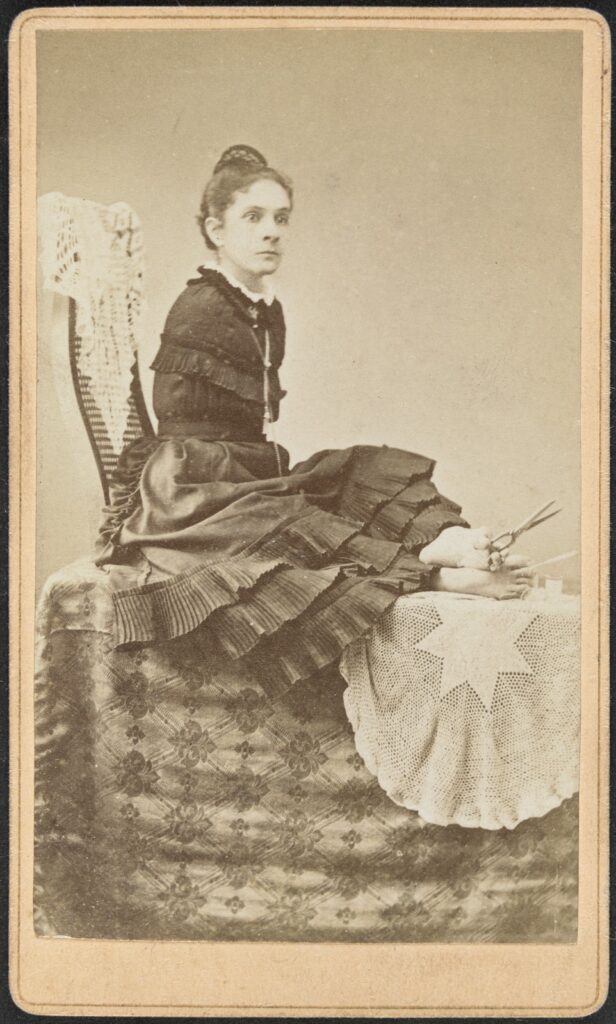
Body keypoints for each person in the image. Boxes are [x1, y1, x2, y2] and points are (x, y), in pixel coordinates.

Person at [95, 144, 531, 697]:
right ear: (216, 229)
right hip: (192, 487)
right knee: (299, 529)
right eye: (252, 218)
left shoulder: (262, 306)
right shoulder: (204, 306)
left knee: (355, 472)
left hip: (242, 472)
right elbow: (187, 430)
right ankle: (441, 572)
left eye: (281, 218)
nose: (271, 232)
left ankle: (451, 545)